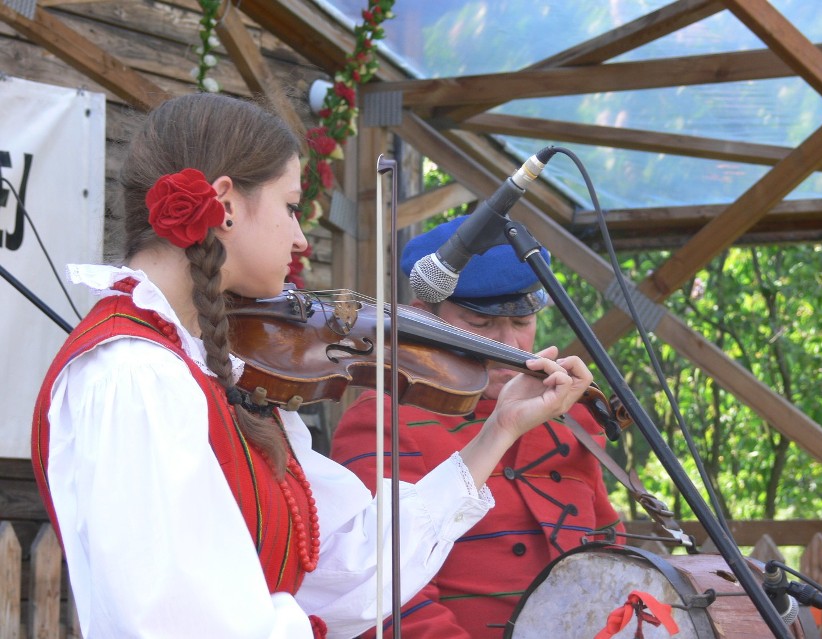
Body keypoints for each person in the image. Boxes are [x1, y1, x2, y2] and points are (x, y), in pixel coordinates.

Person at [29, 92, 594, 639]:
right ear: (224, 207)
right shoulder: (132, 376)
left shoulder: (211, 368)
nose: (301, 238)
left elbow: (345, 569)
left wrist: (499, 429)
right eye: (292, 206)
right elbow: (175, 625)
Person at [331, 215, 624, 638]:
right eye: (481, 325)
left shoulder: (569, 419)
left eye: (523, 322)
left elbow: (610, 557)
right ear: (424, 319)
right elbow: (386, 601)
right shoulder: (383, 419)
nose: (511, 345)